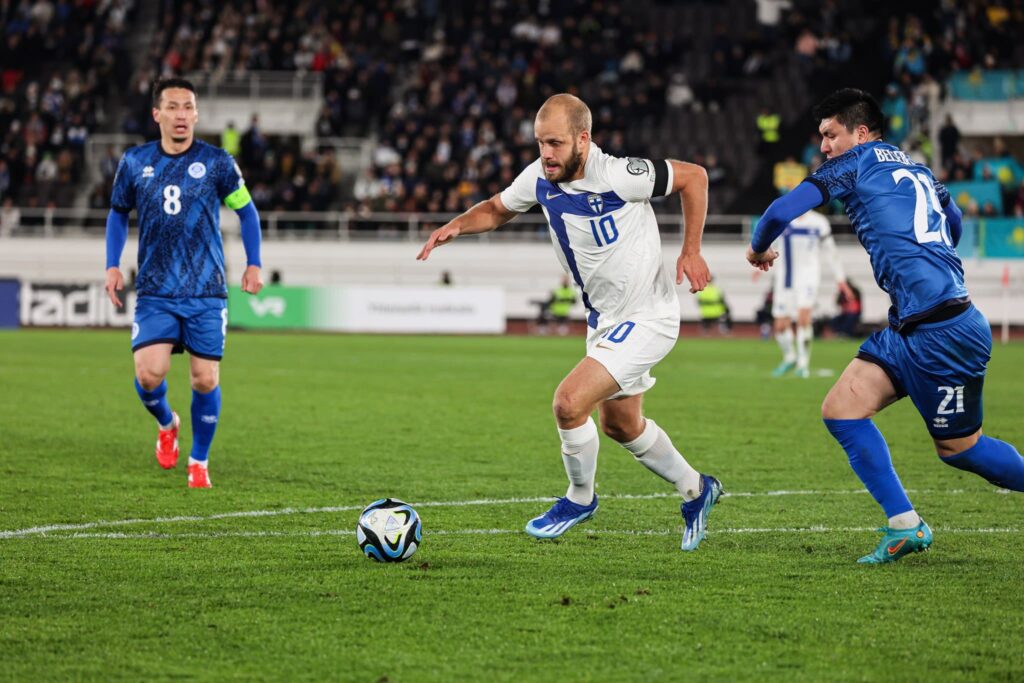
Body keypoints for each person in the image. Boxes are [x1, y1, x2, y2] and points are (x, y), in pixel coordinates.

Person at [417, 94, 723, 551]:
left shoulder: (619, 174)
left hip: (649, 317)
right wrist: (458, 225)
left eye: (556, 143)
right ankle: (698, 490)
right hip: (605, 323)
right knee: (620, 425)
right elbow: (498, 208)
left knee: (567, 403)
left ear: (584, 139)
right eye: (540, 143)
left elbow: (694, 177)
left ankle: (580, 498)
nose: (546, 154)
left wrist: (692, 248)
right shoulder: (539, 177)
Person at [747, 88, 1024, 564]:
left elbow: (778, 212)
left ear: (859, 132)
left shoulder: (852, 164)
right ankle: (905, 525)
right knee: (841, 410)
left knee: (960, 449)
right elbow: (952, 222)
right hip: (911, 327)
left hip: (945, 333)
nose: (824, 147)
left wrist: (757, 250)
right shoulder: (920, 169)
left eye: (830, 135)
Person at [104, 78, 264, 489]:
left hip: (206, 288)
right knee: (148, 376)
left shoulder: (217, 162)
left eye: (188, 107)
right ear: (156, 114)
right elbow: (118, 213)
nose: (181, 115)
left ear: (196, 113)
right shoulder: (135, 162)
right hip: (156, 288)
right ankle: (167, 422)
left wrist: (254, 264)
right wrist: (112, 265)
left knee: (205, 379)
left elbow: (247, 214)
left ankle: (198, 461)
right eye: (172, 107)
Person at [767, 209, 851, 378]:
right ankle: (790, 357)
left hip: (808, 278)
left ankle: (802, 365)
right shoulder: (783, 217)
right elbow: (769, 242)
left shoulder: (819, 222)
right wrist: (760, 257)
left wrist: (840, 278)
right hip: (784, 278)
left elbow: (831, 251)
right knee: (780, 325)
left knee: (803, 318)